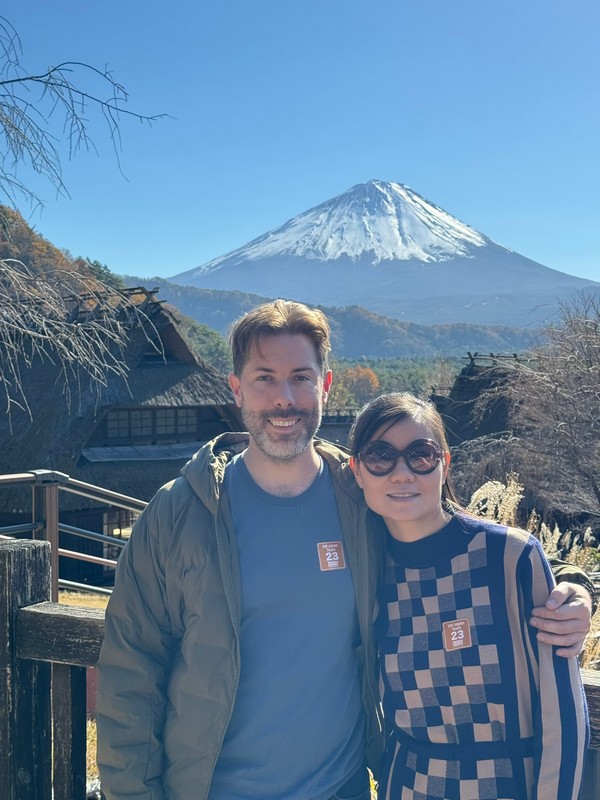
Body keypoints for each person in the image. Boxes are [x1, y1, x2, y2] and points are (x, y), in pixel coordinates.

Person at [96, 299, 595, 800]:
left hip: (342, 788)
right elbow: (130, 669)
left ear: (326, 385)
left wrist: (572, 586)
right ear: (236, 388)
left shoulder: (360, 494)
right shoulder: (180, 513)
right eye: (265, 378)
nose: (283, 399)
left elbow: (460, 541)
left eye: (301, 377)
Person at [349, 392, 590, 800]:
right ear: (357, 471)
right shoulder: (367, 569)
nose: (402, 473)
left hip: (507, 783)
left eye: (421, 455)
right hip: (407, 783)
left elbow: (562, 712)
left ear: (444, 464)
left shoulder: (509, 556)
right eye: (380, 457)